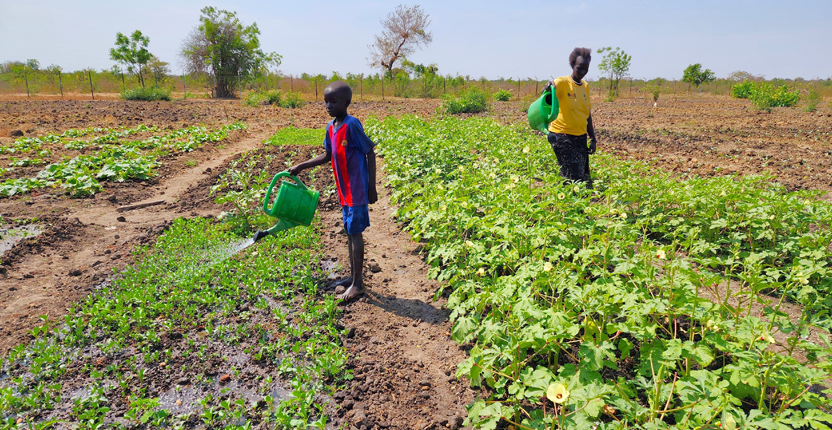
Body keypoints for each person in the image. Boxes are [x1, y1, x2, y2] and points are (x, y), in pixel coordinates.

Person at [288, 81, 378, 301]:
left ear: (346, 103)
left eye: (333, 101)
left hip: (356, 190)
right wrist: (301, 165)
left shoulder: (352, 125)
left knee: (355, 233)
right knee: (349, 231)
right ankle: (352, 277)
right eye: (326, 101)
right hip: (343, 191)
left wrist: (371, 187)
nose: (328, 105)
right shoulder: (331, 127)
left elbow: (370, 153)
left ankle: (358, 284)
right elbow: (327, 155)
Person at [546, 47, 598, 186]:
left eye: (586, 69)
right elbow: (547, 97)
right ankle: (568, 204)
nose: (582, 72)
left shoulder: (585, 86)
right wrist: (548, 88)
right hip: (562, 136)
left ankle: (570, 203)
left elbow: (587, 114)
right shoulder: (562, 82)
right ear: (572, 66)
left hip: (580, 137)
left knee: (582, 176)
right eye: (579, 68)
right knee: (574, 178)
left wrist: (593, 138)